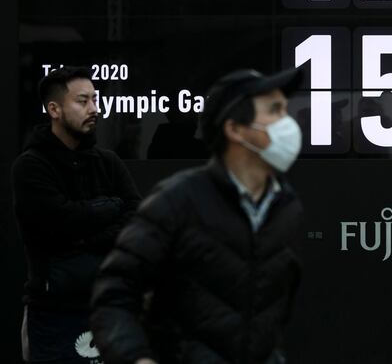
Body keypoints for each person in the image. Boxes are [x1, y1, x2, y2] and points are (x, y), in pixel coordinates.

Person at [91, 67, 305, 364]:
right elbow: (114, 294)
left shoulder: (286, 208)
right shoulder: (177, 199)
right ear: (234, 129)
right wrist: (136, 359)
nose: (287, 122)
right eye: (274, 110)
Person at [12, 66, 141, 363]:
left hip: (111, 306)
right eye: (83, 101)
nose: (94, 108)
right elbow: (57, 224)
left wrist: (83, 238)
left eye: (95, 100)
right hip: (54, 311)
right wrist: (109, 208)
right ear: (54, 109)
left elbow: (137, 221)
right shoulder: (31, 166)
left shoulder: (108, 162)